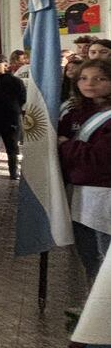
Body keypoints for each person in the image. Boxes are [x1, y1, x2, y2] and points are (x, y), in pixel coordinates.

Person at [58, 58, 111, 285]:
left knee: (105, 254)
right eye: (84, 78)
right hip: (78, 192)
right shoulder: (73, 113)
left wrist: (65, 145)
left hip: (104, 192)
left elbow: (100, 158)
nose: (90, 83)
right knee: (88, 254)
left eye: (100, 79)